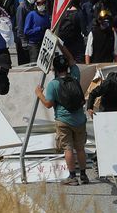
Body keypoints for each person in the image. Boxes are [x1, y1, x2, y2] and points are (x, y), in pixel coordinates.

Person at [35, 53, 89, 185]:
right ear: (67, 67)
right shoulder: (75, 76)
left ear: (54, 69)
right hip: (80, 119)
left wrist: (39, 93)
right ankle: (83, 175)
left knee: (68, 148)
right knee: (80, 148)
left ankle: (72, 177)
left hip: (63, 120)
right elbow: (71, 59)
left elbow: (48, 104)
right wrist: (60, 44)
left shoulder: (54, 84)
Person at [85, 65, 117, 153]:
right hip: (105, 109)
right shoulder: (108, 83)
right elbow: (93, 93)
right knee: (104, 133)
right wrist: (89, 108)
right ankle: (99, 157)